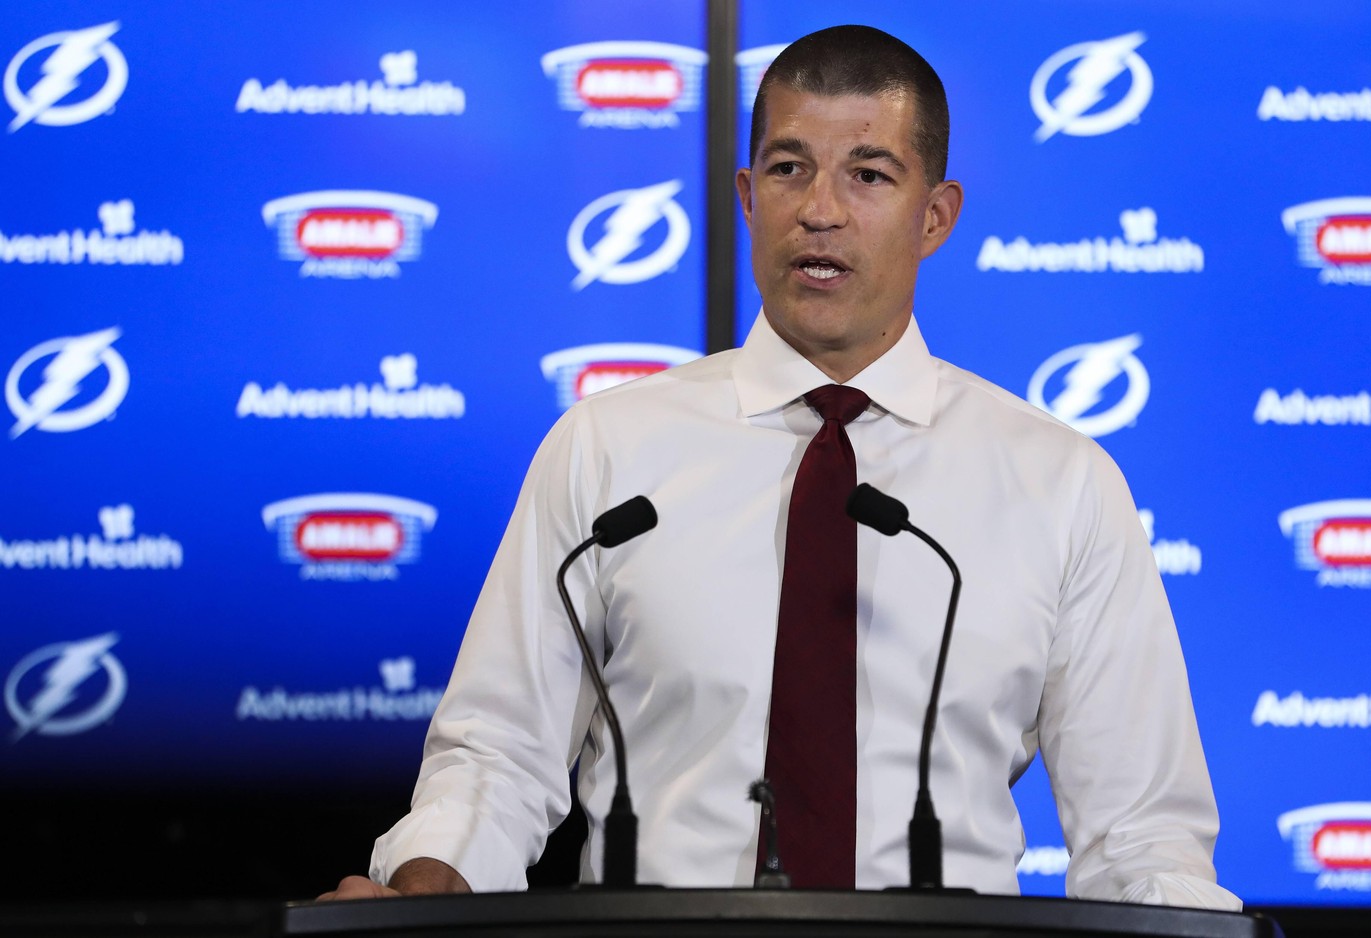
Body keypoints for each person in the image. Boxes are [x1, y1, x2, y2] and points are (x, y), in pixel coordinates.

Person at [322, 25, 1240, 909]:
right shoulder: (608, 450)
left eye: (868, 174)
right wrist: (426, 887)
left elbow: (1138, 836)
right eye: (788, 168)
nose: (820, 210)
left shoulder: (1060, 483)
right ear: (745, 196)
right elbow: (499, 753)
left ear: (935, 217)